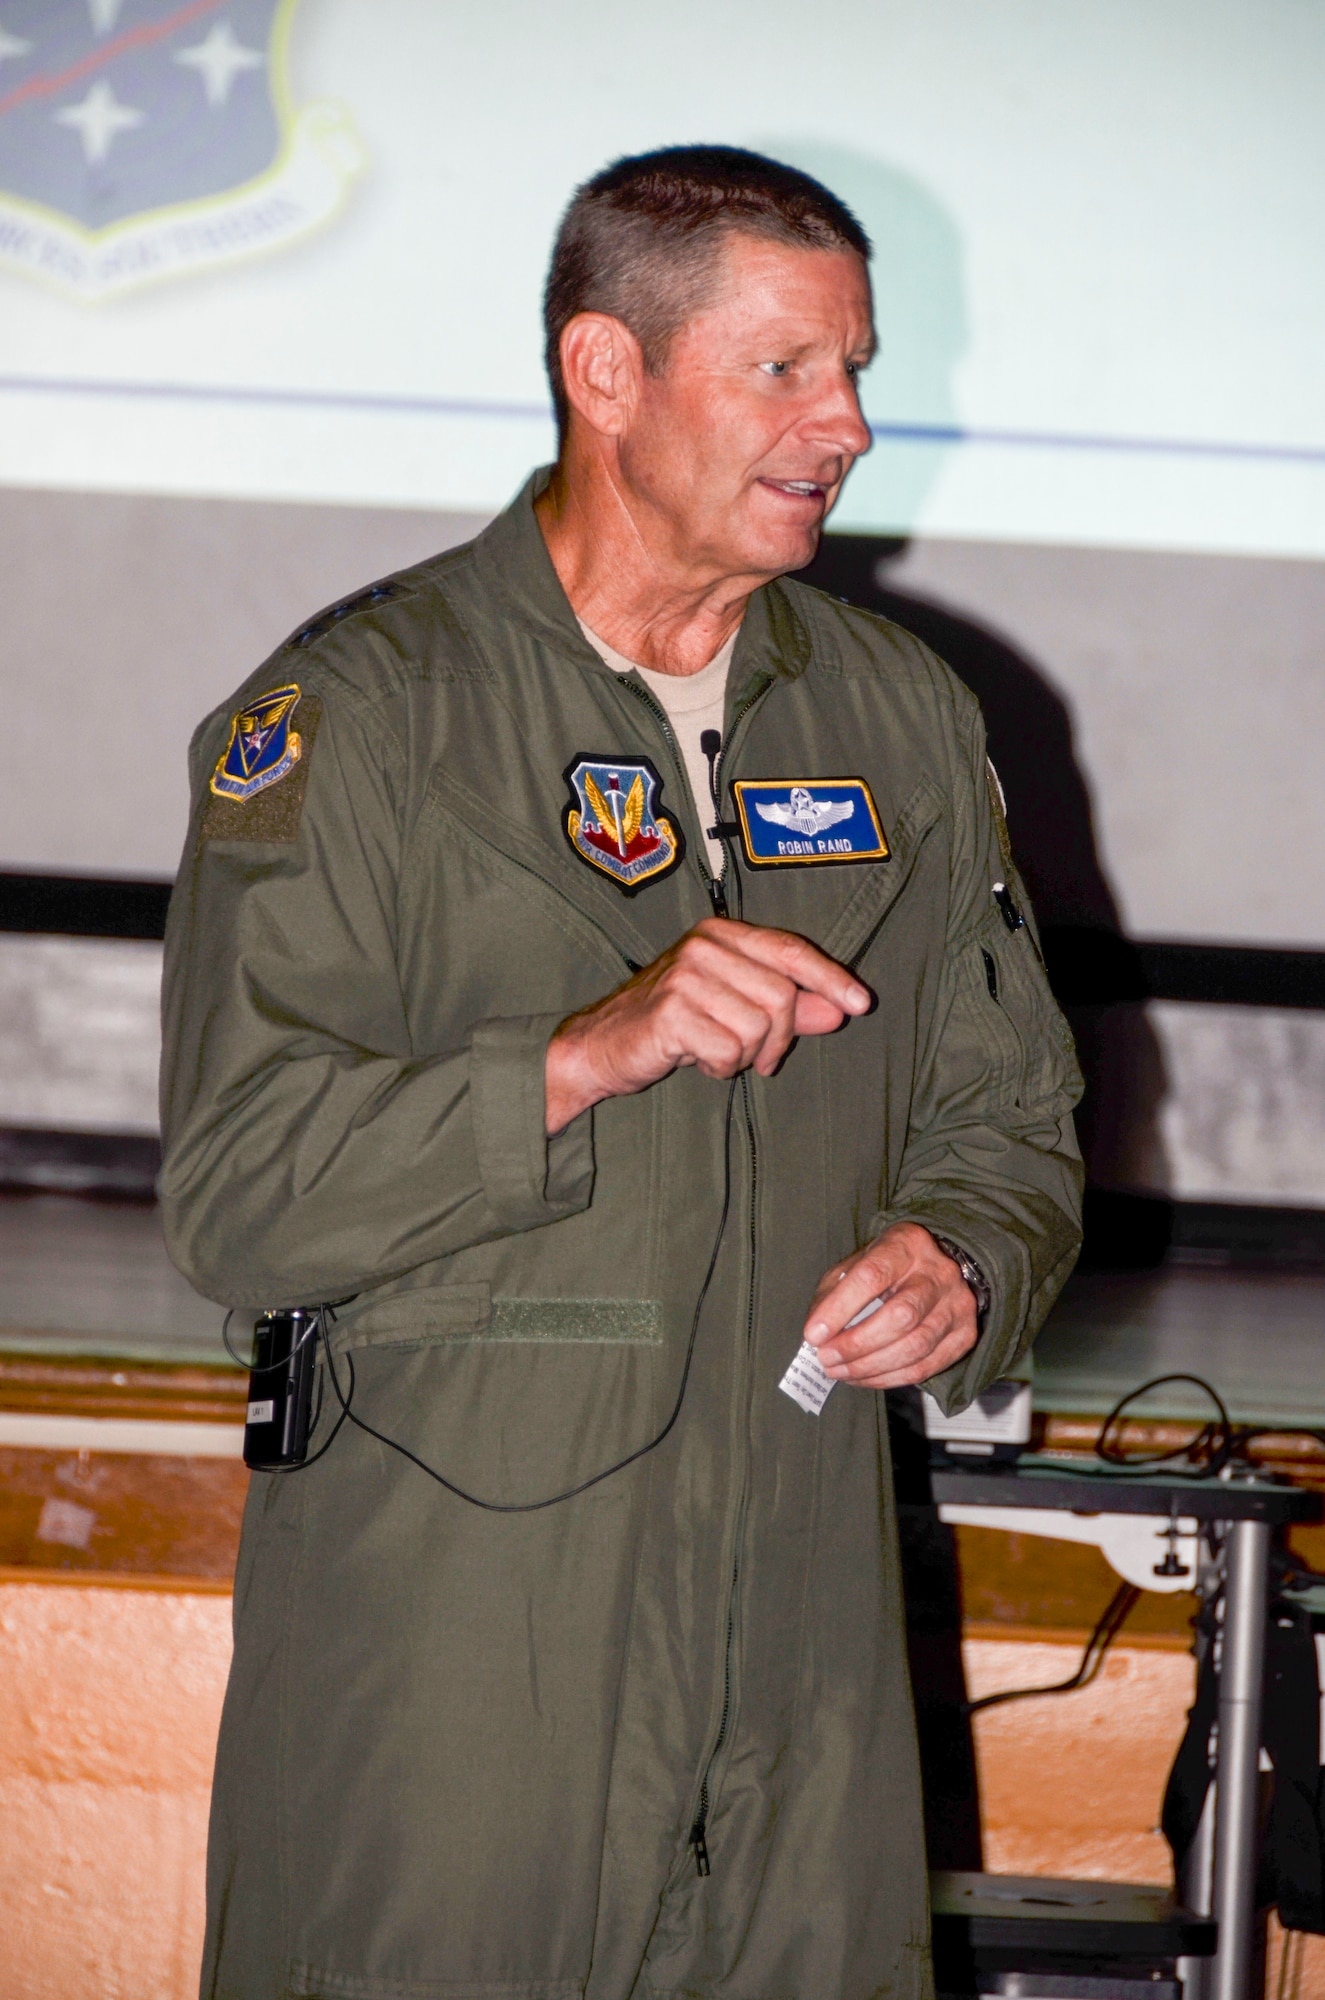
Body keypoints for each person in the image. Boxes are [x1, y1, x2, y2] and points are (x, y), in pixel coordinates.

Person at [162, 145, 1083, 2000]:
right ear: (607, 372)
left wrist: (963, 1258)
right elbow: (242, 1193)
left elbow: (1010, 1110)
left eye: (856, 372)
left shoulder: (895, 711)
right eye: (785, 371)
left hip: (800, 1598)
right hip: (464, 1624)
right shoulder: (362, 714)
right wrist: (582, 1056)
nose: (844, 425)